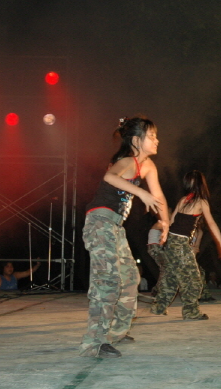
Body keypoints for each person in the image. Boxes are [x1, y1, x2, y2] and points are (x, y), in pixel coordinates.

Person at [80, 115, 169, 359]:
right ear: (136, 140)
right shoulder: (126, 161)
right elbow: (109, 178)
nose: (157, 140)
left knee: (130, 277)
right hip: (99, 222)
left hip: (115, 227)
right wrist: (141, 193)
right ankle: (95, 342)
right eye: (151, 136)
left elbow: (158, 195)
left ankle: (117, 332)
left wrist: (166, 222)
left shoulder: (148, 166)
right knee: (107, 280)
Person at [151, 170, 221, 320]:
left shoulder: (183, 200)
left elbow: (172, 221)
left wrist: (164, 239)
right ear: (201, 183)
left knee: (171, 277)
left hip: (171, 243)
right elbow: (211, 223)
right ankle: (191, 311)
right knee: (194, 279)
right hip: (180, 244)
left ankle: (158, 307)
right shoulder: (201, 202)